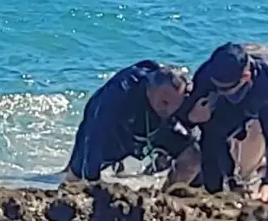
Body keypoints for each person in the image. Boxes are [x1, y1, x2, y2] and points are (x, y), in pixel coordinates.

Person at [175, 42, 268, 204]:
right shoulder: (208, 74)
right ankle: (222, 187)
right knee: (212, 133)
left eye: (224, 88)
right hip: (232, 100)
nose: (219, 91)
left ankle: (266, 175)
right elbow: (183, 119)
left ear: (246, 77)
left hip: (267, 95)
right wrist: (192, 118)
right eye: (216, 87)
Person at [63, 60, 194, 182]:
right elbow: (94, 140)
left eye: (176, 104)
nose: (169, 110)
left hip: (152, 130)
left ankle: (169, 192)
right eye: (164, 102)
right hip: (114, 128)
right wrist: (91, 183)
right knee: (77, 175)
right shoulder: (119, 97)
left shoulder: (181, 96)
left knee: (193, 153)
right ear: (150, 88)